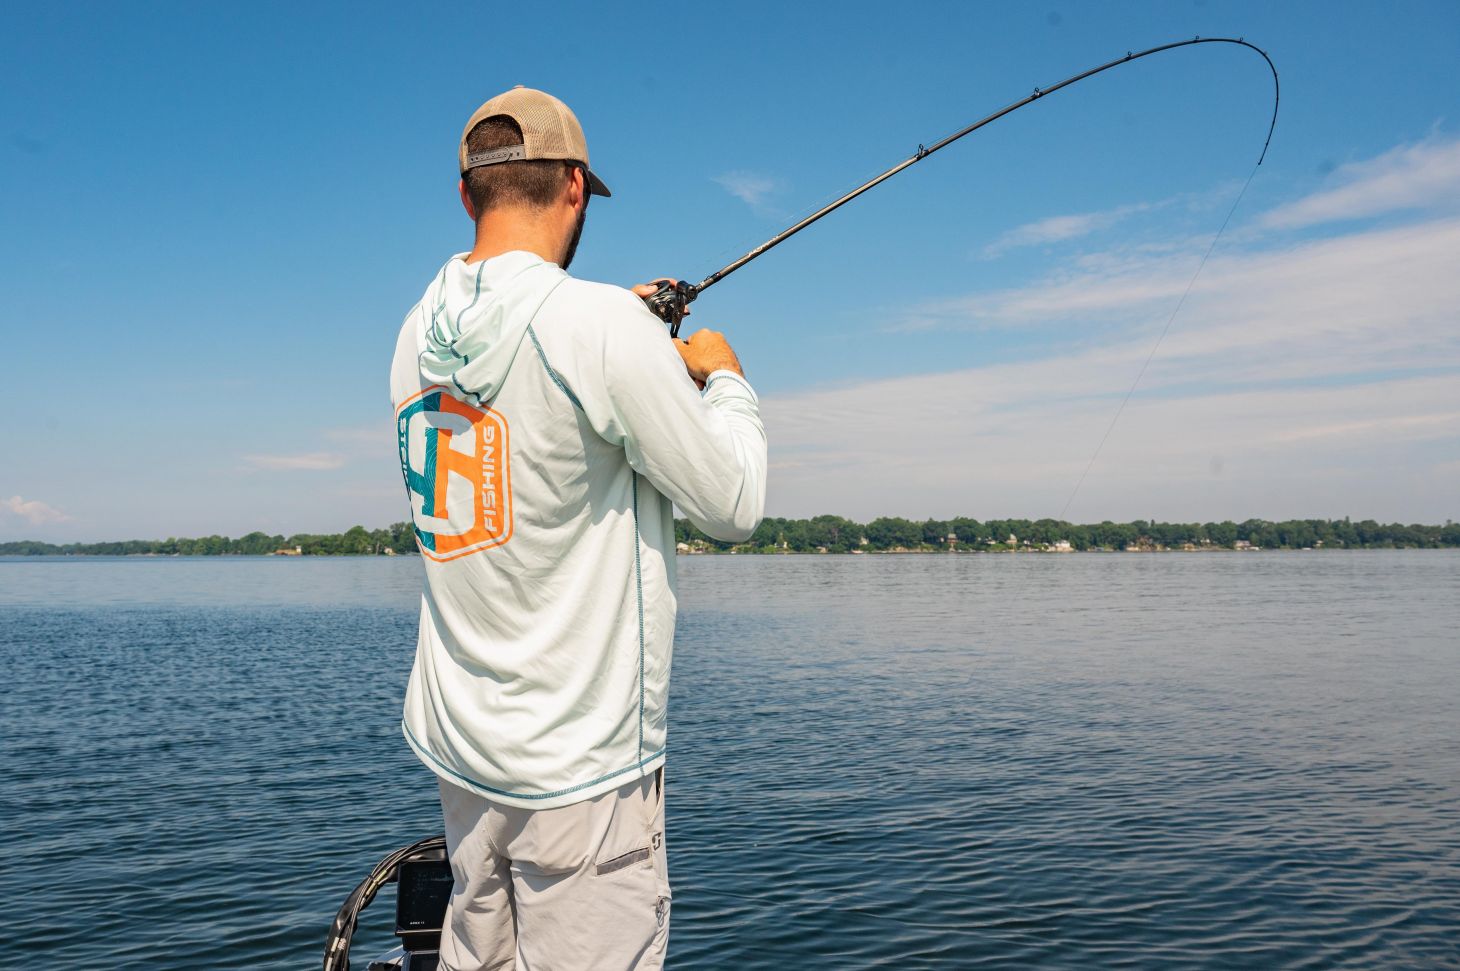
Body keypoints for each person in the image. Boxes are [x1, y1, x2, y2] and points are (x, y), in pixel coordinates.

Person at [388, 86, 767, 970]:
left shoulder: (414, 332)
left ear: (467, 195)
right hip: (580, 771)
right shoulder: (599, 327)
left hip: (463, 754)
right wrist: (723, 378)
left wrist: (622, 330)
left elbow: (523, 395)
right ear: (572, 185)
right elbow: (734, 504)